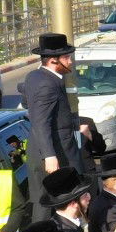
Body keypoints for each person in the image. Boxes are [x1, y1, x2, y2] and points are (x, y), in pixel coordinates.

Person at [24, 33, 82, 221]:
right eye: (66, 57)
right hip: (55, 154)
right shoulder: (46, 84)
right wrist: (50, 156)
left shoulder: (35, 76)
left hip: (46, 150)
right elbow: (40, 122)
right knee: (50, 205)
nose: (71, 61)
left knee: (48, 203)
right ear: (53, 60)